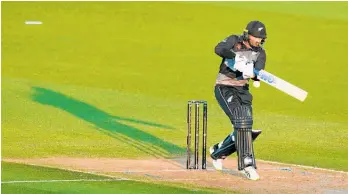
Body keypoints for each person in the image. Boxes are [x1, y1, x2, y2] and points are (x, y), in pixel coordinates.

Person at [209, 20, 267, 180]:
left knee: (245, 125)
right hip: (224, 86)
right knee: (242, 123)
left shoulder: (260, 53)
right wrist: (237, 57)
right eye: (256, 37)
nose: (258, 40)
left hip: (243, 90)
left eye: (260, 38)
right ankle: (247, 165)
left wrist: (254, 75)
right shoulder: (235, 41)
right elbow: (219, 49)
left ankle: (218, 152)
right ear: (248, 34)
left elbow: (259, 72)